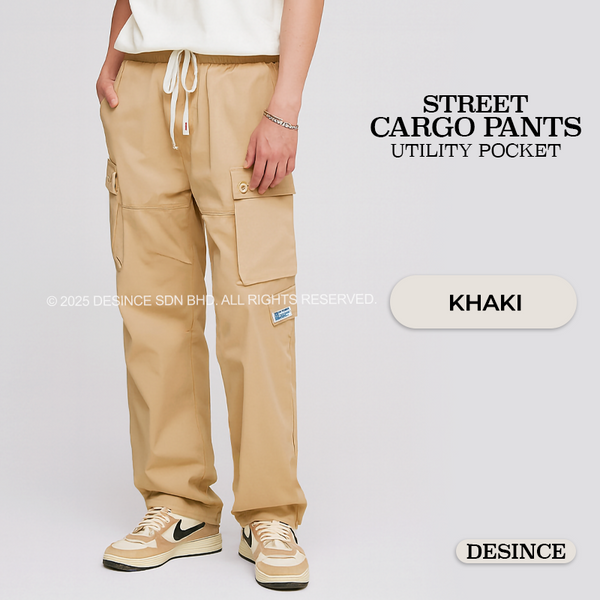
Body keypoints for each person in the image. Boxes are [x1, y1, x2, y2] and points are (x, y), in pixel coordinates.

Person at [95, 0, 323, 590]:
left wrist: (286, 106)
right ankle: (179, 505)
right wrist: (114, 56)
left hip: (242, 82)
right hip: (144, 78)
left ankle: (269, 513)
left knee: (256, 311)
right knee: (153, 309)